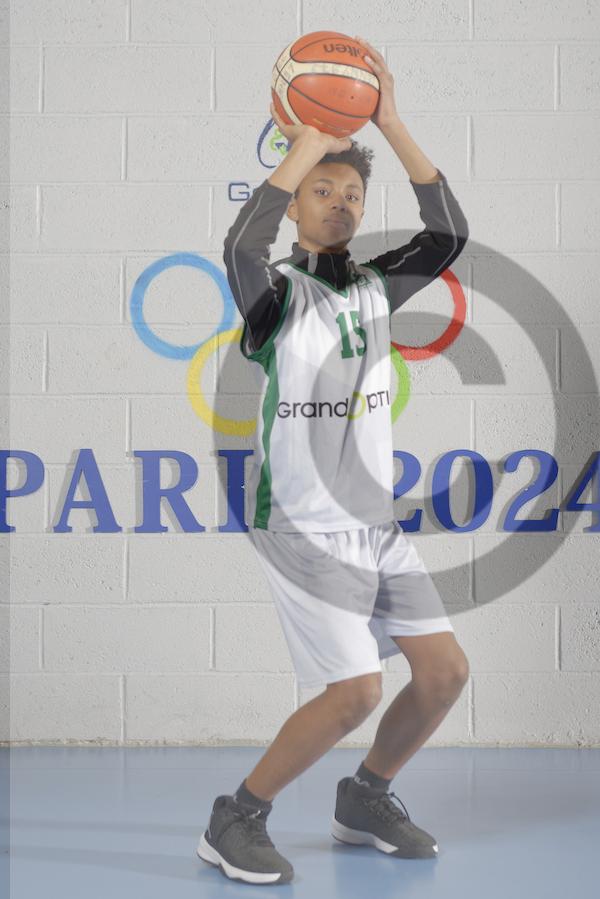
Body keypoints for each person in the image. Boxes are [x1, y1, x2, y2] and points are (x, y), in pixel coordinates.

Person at [197, 36, 470, 886]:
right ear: (295, 205)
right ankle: (236, 816)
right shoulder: (277, 298)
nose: (341, 203)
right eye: (323, 191)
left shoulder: (376, 287)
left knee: (444, 673)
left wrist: (388, 122)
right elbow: (240, 248)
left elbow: (448, 234)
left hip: (375, 525)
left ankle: (364, 798)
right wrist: (309, 138)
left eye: (352, 193)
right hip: (304, 526)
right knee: (354, 691)